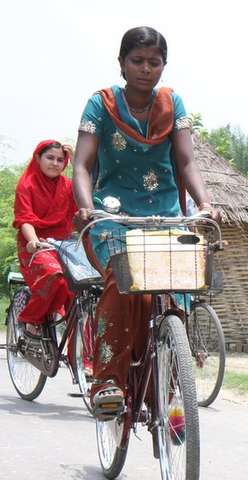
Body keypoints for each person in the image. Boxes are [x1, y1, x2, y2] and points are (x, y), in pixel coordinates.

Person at [72, 26, 216, 419]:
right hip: (113, 218)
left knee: (175, 288)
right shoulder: (100, 104)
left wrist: (204, 204)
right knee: (124, 280)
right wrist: (86, 208)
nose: (146, 68)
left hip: (165, 215)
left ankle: (166, 387)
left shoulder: (173, 103)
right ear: (122, 63)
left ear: (164, 65)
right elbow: (82, 165)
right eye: (137, 60)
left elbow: (186, 161)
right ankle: (108, 380)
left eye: (154, 62)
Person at [13, 141, 78, 336]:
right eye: (50, 158)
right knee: (55, 276)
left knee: (80, 288)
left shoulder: (67, 185)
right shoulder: (26, 184)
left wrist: (76, 162)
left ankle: (79, 349)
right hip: (34, 244)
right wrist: (34, 241)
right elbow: (24, 219)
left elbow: (85, 199)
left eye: (60, 160)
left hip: (64, 244)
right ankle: (30, 318)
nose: (55, 163)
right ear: (37, 158)